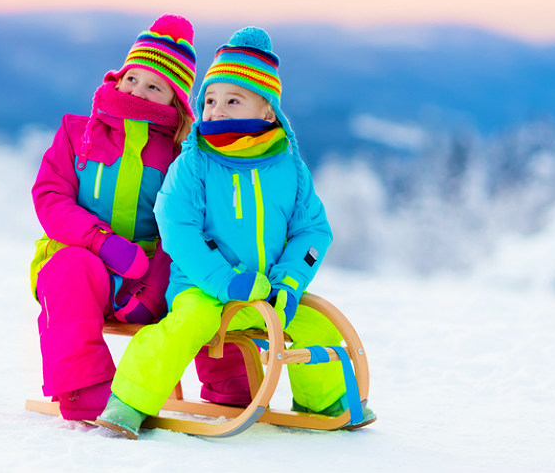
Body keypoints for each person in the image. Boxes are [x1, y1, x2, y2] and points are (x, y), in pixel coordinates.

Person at [95, 26, 376, 439]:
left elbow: (313, 230)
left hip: (265, 289)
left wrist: (290, 280)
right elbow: (177, 227)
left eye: (232, 100)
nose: (216, 110)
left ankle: (324, 403)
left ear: (267, 112)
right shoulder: (194, 163)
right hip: (202, 286)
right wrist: (224, 280)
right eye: (209, 100)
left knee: (316, 324)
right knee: (186, 326)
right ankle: (130, 400)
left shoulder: (289, 168)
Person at [29, 14, 197, 423]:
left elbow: (184, 224)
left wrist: (156, 283)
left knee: (198, 294)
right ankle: (86, 392)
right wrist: (101, 241)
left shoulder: (181, 157)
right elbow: (50, 196)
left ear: (173, 102)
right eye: (132, 79)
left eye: (154, 86)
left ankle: (231, 389)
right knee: (70, 269)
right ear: (117, 78)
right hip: (78, 256)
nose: (137, 90)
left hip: (144, 274)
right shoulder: (76, 133)